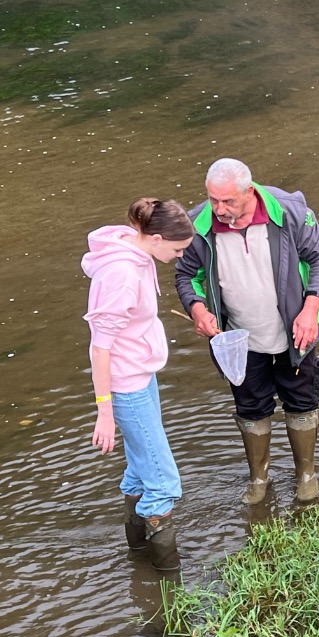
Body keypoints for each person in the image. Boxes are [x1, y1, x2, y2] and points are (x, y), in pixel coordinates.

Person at [174, 158, 319, 504]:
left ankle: (306, 473)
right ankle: (259, 478)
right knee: (251, 407)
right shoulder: (198, 226)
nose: (218, 209)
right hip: (238, 338)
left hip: (296, 330)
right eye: (213, 200)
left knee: (302, 400)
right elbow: (185, 275)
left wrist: (311, 309)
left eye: (228, 201)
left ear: (250, 192)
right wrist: (197, 309)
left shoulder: (290, 211)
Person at [83, 197, 196, 573]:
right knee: (163, 483)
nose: (181, 257)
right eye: (178, 249)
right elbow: (100, 347)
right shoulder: (122, 275)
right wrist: (105, 412)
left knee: (140, 469)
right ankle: (168, 577)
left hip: (141, 376)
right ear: (156, 237)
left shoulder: (140, 253)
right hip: (126, 387)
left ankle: (137, 560)